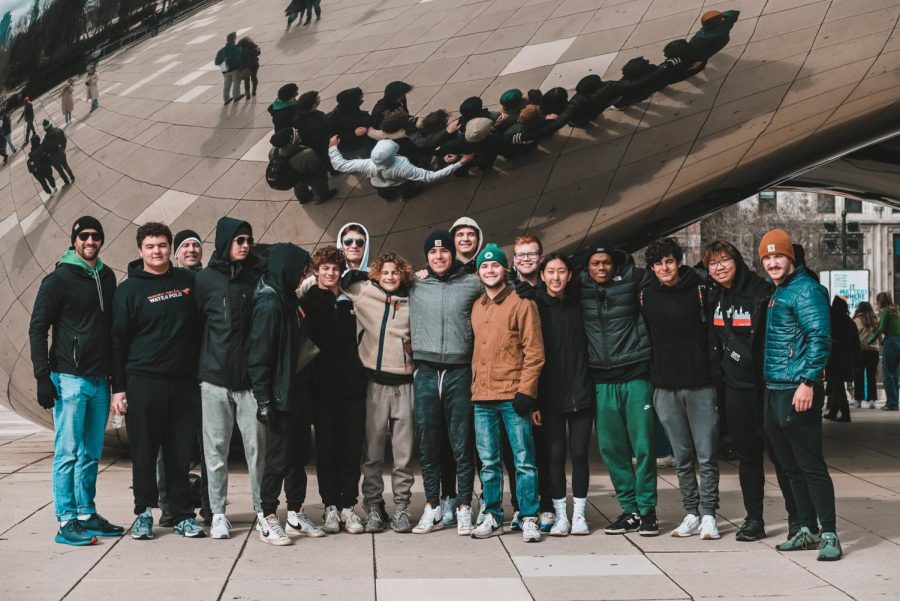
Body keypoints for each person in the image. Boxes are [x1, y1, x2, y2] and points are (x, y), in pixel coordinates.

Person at [28, 216, 123, 546]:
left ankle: (86, 513)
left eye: (96, 236)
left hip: (99, 380)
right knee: (67, 451)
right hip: (68, 378)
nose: (90, 241)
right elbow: (38, 328)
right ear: (74, 240)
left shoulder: (107, 277)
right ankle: (66, 520)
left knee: (90, 453)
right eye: (84, 236)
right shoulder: (58, 279)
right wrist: (43, 376)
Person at [110, 222, 205, 540]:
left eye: (162, 245)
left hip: (183, 383)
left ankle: (181, 515)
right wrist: (118, 388)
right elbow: (117, 341)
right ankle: (142, 514)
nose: (157, 251)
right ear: (141, 250)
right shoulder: (128, 290)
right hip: (144, 381)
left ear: (170, 248)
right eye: (151, 246)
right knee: (145, 451)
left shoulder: (187, 280)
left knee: (179, 453)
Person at [703, 240, 799, 542]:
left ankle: (798, 520)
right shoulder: (713, 294)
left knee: (782, 457)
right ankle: (754, 520)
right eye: (712, 263)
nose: (719, 267)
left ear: (738, 261)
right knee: (748, 459)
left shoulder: (761, 291)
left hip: (767, 389)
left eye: (724, 260)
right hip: (734, 390)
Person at [758, 229, 842, 561]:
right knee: (788, 466)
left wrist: (808, 381)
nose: (772, 263)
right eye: (766, 257)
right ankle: (805, 528)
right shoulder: (778, 291)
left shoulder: (806, 291)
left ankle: (830, 534)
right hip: (775, 388)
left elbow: (821, 337)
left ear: (791, 258)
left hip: (797, 389)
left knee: (810, 466)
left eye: (778, 256)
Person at [641, 237, 720, 539]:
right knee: (681, 456)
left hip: (700, 383)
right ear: (652, 267)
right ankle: (691, 513)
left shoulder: (699, 289)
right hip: (665, 386)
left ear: (679, 262)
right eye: (659, 263)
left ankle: (710, 514)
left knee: (707, 453)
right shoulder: (646, 295)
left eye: (670, 261)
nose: (665, 267)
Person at [194, 218, 267, 540]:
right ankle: (219, 514)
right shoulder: (206, 280)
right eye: (239, 240)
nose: (245, 245)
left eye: (248, 240)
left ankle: (263, 510)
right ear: (225, 242)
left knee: (257, 449)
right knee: (215, 451)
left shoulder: (257, 277)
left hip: (250, 382)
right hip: (215, 380)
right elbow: (195, 326)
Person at [579, 243, 658, 537]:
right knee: (612, 449)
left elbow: (661, 274)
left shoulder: (633, 280)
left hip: (635, 373)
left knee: (644, 447)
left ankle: (648, 510)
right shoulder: (580, 287)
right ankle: (630, 510)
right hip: (600, 380)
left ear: (615, 264)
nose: (601, 268)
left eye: (606, 263)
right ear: (587, 267)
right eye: (595, 263)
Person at [408, 231, 483, 535]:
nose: (438, 257)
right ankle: (432, 506)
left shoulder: (470, 283)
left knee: (462, 444)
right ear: (426, 256)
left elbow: (502, 282)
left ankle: (464, 506)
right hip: (426, 372)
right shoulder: (415, 283)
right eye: (432, 253)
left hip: (458, 371)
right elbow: (377, 280)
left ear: (452, 255)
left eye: (444, 252)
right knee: (428, 445)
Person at [469, 243, 545, 542]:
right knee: (488, 462)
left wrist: (527, 390)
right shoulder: (477, 306)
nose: (490, 270)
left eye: (495, 266)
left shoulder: (522, 303)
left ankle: (528, 516)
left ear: (505, 269)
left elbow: (534, 351)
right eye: (485, 267)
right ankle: (491, 514)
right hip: (482, 397)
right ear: (479, 273)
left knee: (523, 460)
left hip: (513, 396)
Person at [249, 242, 318, 546]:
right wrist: (264, 400)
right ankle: (266, 516)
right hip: (279, 395)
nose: (304, 275)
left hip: (298, 391)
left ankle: (295, 512)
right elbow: (259, 358)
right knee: (277, 459)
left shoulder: (287, 298)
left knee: (297, 457)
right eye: (301, 269)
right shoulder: (270, 304)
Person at [341, 252, 416, 533]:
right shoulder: (364, 293)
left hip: (405, 385)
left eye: (395, 272)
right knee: (372, 452)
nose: (390, 277)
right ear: (376, 274)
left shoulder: (413, 300)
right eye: (385, 272)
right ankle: (373, 506)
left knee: (403, 453)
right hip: (374, 384)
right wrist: (354, 275)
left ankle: (402, 508)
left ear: (403, 274)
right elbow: (327, 281)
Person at [302, 246, 368, 534]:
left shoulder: (349, 301)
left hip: (352, 388)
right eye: (325, 268)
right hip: (322, 389)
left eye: (335, 269)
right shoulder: (307, 302)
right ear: (317, 270)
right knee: (326, 450)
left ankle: (348, 505)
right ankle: (329, 505)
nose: (330, 273)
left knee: (351, 450)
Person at [534, 253, 594, 536]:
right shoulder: (534, 306)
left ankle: (580, 514)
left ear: (570, 276)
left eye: (561, 272)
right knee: (554, 455)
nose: (556, 277)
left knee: (580, 454)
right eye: (551, 272)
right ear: (542, 275)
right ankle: (560, 515)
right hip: (550, 396)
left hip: (581, 392)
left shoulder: (580, 304)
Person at [328, 136, 471, 201]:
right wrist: (460, 163)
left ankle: (388, 197)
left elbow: (339, 164)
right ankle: (407, 195)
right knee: (407, 190)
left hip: (379, 185)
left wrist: (332, 147)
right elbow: (430, 177)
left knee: (385, 193)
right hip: (401, 183)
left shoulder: (367, 163)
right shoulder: (403, 168)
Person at [268, 127, 334, 204]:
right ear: (292, 141)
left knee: (298, 186)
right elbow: (317, 166)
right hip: (307, 176)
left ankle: (303, 198)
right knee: (319, 182)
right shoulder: (306, 153)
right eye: (295, 133)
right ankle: (323, 196)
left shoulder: (273, 151)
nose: (297, 130)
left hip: (292, 176)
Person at [823, 297, 860, 422]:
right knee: (836, 385)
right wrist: (857, 360)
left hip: (834, 357)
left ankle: (845, 413)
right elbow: (856, 344)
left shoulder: (831, 320)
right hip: (846, 358)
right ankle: (833, 413)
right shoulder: (850, 322)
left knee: (837, 385)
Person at [868, 292, 900, 410]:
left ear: (881, 301)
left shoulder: (885, 311)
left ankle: (891, 403)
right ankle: (894, 402)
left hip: (891, 343)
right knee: (895, 373)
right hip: (898, 341)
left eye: (877, 301)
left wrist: (870, 340)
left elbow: (881, 328)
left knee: (887, 373)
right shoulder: (895, 311)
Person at [327, 87, 374, 159]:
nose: (361, 100)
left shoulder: (349, 109)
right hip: (352, 151)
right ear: (353, 101)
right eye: (360, 98)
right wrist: (354, 133)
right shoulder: (334, 119)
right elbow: (335, 138)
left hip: (360, 146)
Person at [292, 90, 331, 168]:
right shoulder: (316, 121)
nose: (319, 98)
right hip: (321, 146)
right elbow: (321, 142)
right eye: (317, 98)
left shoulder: (299, 116)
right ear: (313, 105)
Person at [852, 301, 880, 409]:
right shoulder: (875, 320)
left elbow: (853, 336)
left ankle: (858, 400)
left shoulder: (856, 320)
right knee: (871, 376)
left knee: (858, 376)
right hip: (873, 351)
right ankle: (872, 400)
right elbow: (879, 335)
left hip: (860, 351)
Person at [41, 120, 74, 186]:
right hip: (61, 152)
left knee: (60, 170)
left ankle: (66, 181)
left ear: (45, 129)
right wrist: (62, 148)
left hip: (54, 158)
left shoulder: (45, 140)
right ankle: (72, 177)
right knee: (66, 165)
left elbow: (44, 151)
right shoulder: (59, 130)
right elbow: (64, 140)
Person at [214, 32, 243, 105]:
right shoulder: (236, 47)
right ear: (234, 39)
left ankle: (226, 99)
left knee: (227, 84)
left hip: (224, 70)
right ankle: (236, 96)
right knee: (236, 83)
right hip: (234, 69)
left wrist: (224, 63)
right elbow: (238, 58)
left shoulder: (221, 51)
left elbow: (216, 62)